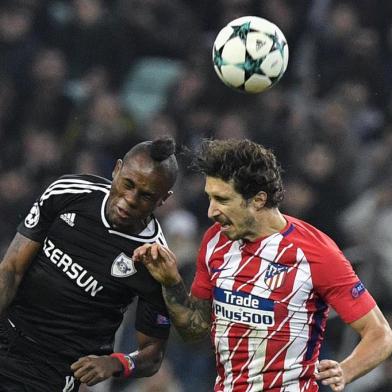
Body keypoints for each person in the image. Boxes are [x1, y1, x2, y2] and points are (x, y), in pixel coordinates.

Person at [133, 138, 392, 392]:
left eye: (222, 200)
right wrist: (171, 282)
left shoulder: (316, 252)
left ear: (258, 199)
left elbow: (380, 334)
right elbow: (194, 330)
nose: (211, 211)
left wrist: (346, 370)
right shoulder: (215, 240)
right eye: (210, 198)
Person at [0, 136, 178, 392]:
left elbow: (153, 355)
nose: (129, 199)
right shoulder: (69, 192)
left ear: (163, 199)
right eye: (127, 184)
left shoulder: (155, 260)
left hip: (51, 373)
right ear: (117, 169)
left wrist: (115, 363)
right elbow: (11, 269)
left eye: (146, 196)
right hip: (5, 335)